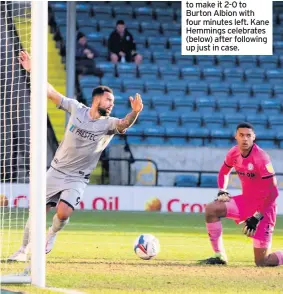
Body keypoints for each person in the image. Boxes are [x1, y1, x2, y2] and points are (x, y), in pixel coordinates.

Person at [8, 51, 143, 261]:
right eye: (109, 100)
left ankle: (51, 234)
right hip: (56, 170)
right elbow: (51, 92)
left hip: (77, 177)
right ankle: (23, 250)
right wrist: (32, 69)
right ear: (97, 99)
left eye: (113, 102)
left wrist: (134, 113)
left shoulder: (109, 124)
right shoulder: (76, 109)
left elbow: (124, 123)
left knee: (63, 213)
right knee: (37, 212)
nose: (111, 104)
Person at [200, 122, 283, 267]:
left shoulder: (261, 158)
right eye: (242, 135)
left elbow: (273, 192)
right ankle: (220, 256)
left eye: (248, 135)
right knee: (211, 209)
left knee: (262, 262)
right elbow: (223, 172)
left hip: (264, 208)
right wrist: (222, 190)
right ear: (236, 137)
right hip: (245, 202)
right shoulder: (233, 153)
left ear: (254, 138)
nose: (245, 139)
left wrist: (257, 217)